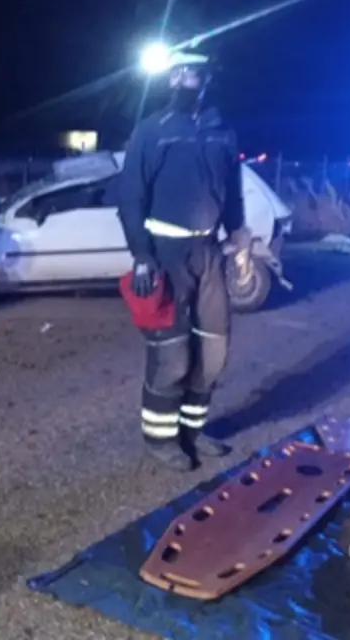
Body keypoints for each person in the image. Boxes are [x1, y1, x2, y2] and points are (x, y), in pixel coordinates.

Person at [118, 50, 250, 471]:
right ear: (168, 79)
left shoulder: (222, 131)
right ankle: (161, 439)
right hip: (165, 253)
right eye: (179, 71)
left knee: (213, 354)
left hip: (209, 252)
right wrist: (142, 255)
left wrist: (240, 238)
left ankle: (193, 432)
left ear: (208, 77)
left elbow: (233, 191)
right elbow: (130, 198)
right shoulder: (151, 131)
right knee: (172, 356)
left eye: (195, 71)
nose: (187, 78)